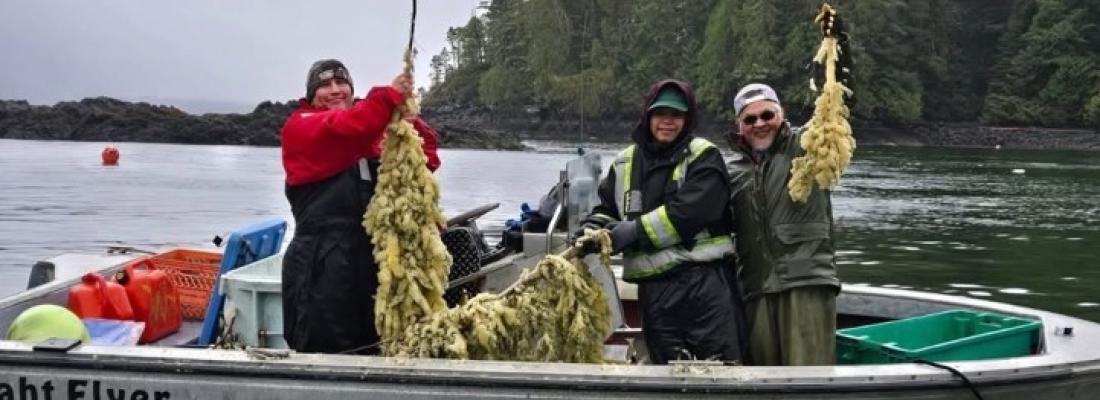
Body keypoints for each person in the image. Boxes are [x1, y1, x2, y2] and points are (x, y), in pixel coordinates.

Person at [578, 79, 746, 365]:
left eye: (676, 115)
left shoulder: (704, 156)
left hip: (704, 287)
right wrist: (593, 228)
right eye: (661, 114)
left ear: (687, 119)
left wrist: (634, 231)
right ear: (648, 116)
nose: (668, 122)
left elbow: (692, 212)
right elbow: (607, 208)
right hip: (654, 292)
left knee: (720, 371)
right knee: (667, 373)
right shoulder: (623, 162)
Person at [280, 59, 441, 354]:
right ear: (312, 94)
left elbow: (426, 158)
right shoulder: (303, 126)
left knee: (372, 343)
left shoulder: (366, 134)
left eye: (341, 83)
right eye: (325, 85)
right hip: (319, 265)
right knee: (324, 347)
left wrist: (405, 119)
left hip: (369, 262)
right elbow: (351, 127)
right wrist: (387, 96)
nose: (335, 90)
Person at [725, 9, 851, 366]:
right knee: (763, 377)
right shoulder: (731, 170)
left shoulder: (808, 146)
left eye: (768, 115)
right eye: (750, 119)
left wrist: (836, 44)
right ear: (739, 125)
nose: (760, 124)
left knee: (808, 376)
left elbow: (837, 99)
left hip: (806, 283)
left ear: (781, 115)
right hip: (757, 288)